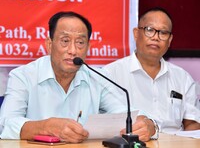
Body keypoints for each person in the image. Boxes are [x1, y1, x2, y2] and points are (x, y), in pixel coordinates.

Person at [0, 11, 156, 143]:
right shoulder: (23, 76)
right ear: (49, 44)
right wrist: (44, 127)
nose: (73, 50)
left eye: (80, 42)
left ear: (88, 47)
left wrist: (148, 125)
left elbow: (125, 114)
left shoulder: (98, 77)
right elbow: (5, 124)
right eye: (65, 41)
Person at [103, 7, 200, 133]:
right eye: (150, 30)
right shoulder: (111, 74)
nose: (156, 37)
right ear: (136, 34)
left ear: (169, 40)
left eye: (163, 33)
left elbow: (192, 123)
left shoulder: (183, 78)